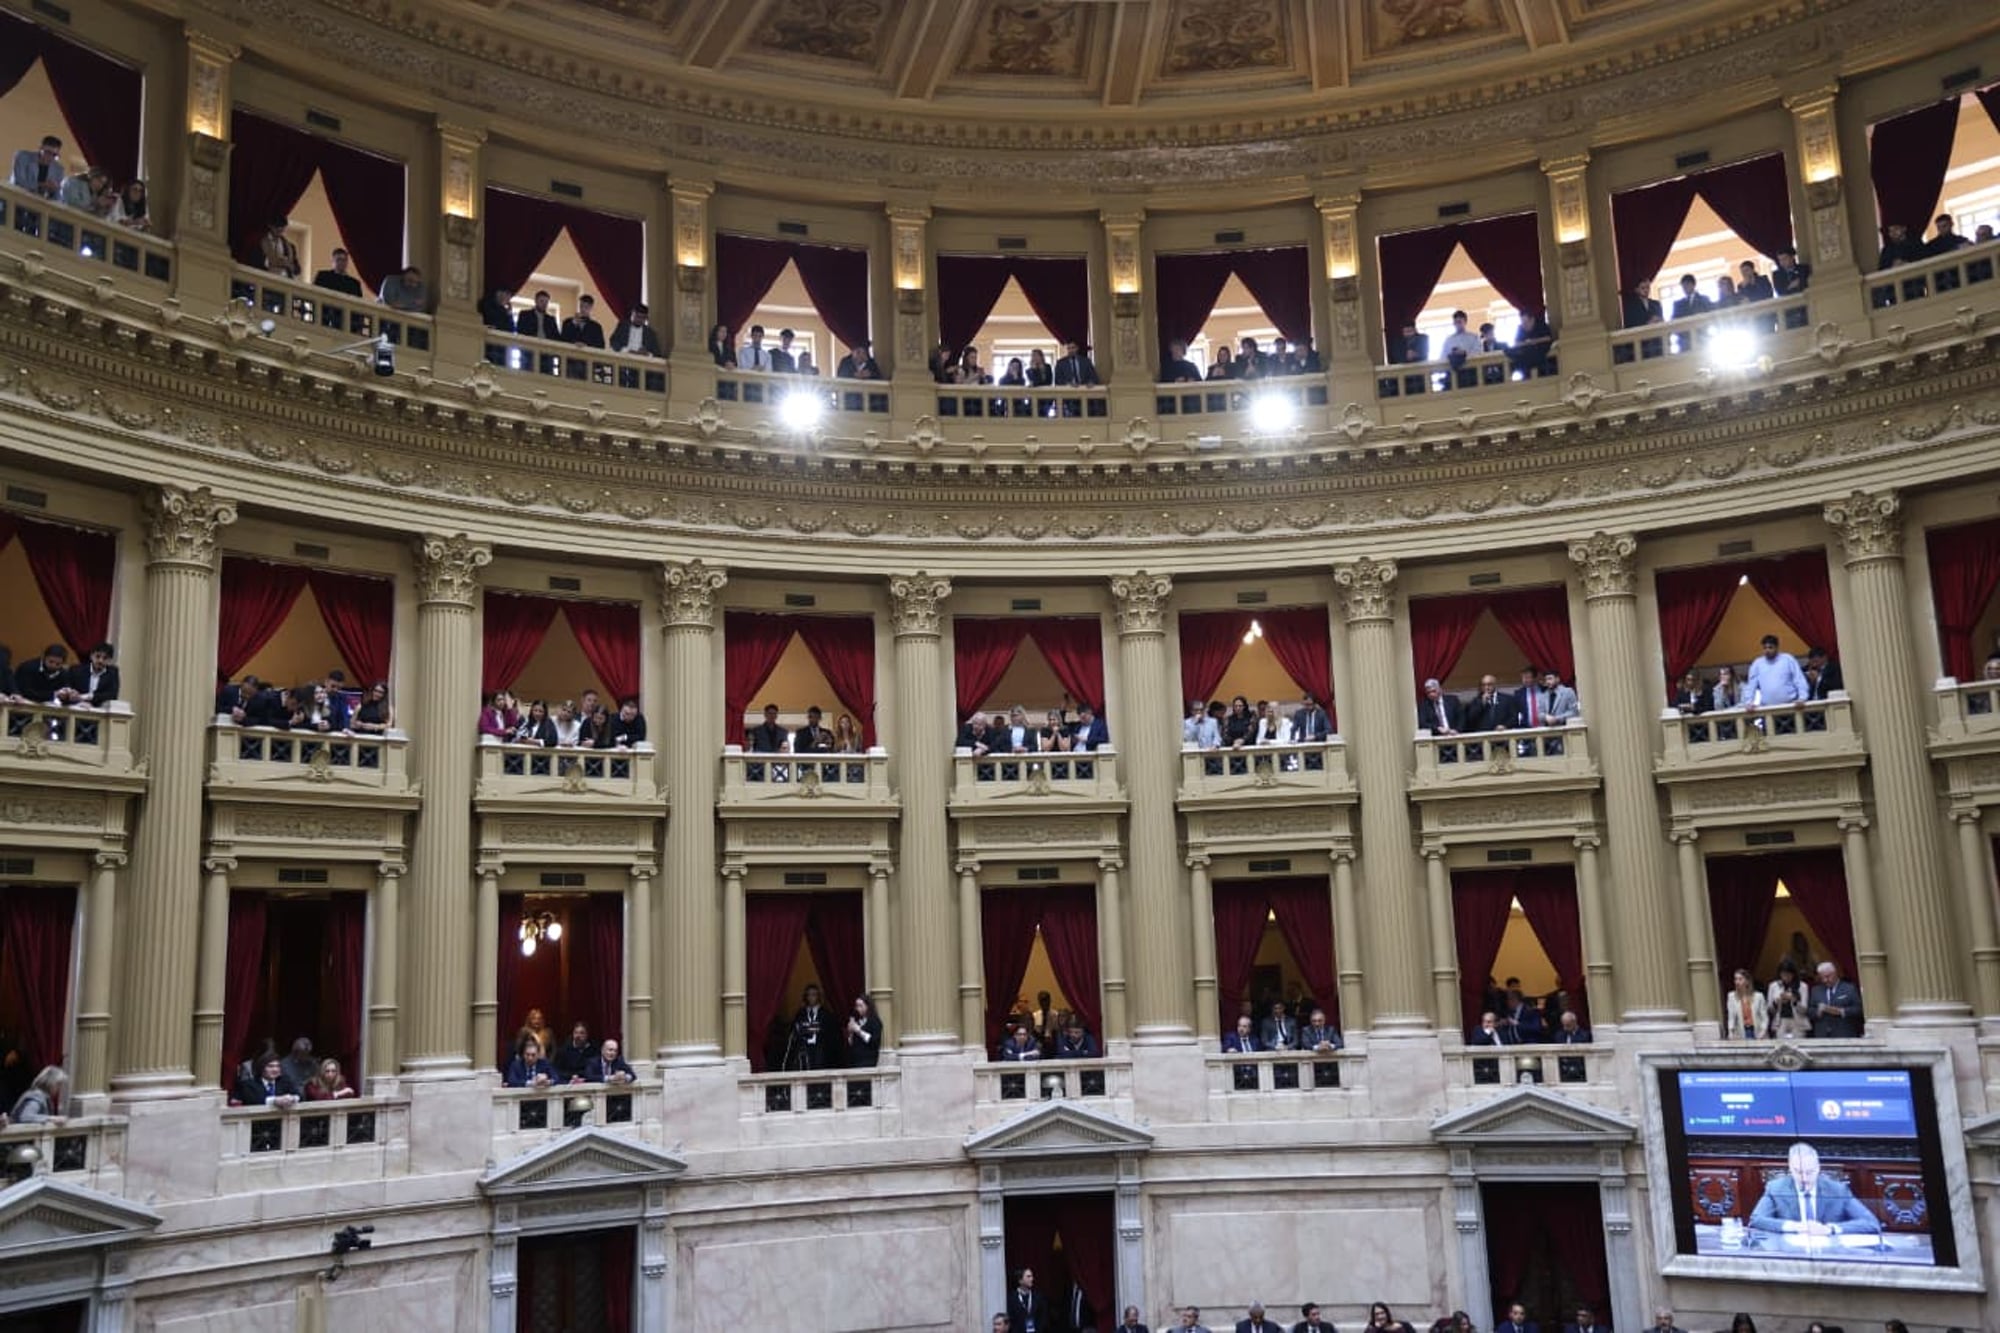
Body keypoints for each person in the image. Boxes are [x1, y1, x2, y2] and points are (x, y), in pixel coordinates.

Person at [1749, 1141, 1881, 1236]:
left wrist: (1830, 1229)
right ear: (1790, 1169)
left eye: (1810, 1172)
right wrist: (1795, 1227)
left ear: (1818, 1168)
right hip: (1791, 1254)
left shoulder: (1838, 1190)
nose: (1805, 1178)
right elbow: (1756, 1219)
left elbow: (1871, 1223)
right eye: (1799, 1172)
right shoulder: (1775, 1188)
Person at [1744, 633, 1808, 707]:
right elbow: (1751, 685)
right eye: (1765, 648)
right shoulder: (1757, 664)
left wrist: (1802, 698)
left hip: (1790, 705)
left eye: (1770, 647)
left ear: (1777, 647)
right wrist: (1748, 702)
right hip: (1768, 708)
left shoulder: (1788, 659)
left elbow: (1799, 679)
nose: (1767, 650)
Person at [1808, 960, 1863, 1037]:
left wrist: (1840, 1011)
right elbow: (1810, 1011)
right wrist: (1818, 1012)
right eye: (1822, 978)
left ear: (1835, 973)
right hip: (1822, 1035)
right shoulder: (1816, 990)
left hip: (1844, 1033)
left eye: (1827, 976)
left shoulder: (1849, 988)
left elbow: (1858, 1009)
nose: (1825, 980)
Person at [58, 642, 118, 706]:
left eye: (105, 658)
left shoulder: (112, 673)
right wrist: (70, 692)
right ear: (91, 656)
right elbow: (67, 686)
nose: (100, 661)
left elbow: (112, 695)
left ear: (110, 660)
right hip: (76, 707)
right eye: (97, 656)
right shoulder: (76, 670)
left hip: (99, 710)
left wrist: (84, 697)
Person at [786, 984, 830, 1070]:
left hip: (820, 1050)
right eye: (809, 995)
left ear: (818, 996)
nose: (811, 997)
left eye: (814, 994)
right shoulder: (800, 1014)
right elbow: (794, 1030)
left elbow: (829, 1033)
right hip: (804, 1050)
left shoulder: (826, 1015)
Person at [234, 1052, 302, 1106]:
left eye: (277, 1066)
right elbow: (254, 1101)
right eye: (270, 1066)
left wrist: (292, 1098)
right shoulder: (249, 1084)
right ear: (261, 1068)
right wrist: (275, 1100)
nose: (275, 1069)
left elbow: (299, 1096)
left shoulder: (285, 1081)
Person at [1725, 968, 1767, 1039]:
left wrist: (1763, 1030)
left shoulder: (1759, 996)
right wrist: (1730, 1032)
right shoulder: (1731, 996)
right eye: (1736, 979)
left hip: (1757, 1031)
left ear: (1747, 981)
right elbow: (1731, 1017)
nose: (1737, 982)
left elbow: (1764, 1017)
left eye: (1740, 979)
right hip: (1741, 1031)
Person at [1008, 1268, 1050, 1333]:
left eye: (1032, 1276)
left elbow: (1043, 1318)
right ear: (1020, 1280)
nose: (1032, 1279)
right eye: (1028, 1276)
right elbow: (1011, 1320)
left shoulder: (1038, 1297)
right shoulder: (1012, 1298)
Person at [844, 996, 882, 1067]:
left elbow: (874, 1041)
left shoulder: (874, 1021)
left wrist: (859, 1031)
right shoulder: (858, 1021)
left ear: (868, 1006)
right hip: (855, 1061)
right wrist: (850, 1033)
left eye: (861, 1006)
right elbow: (851, 1043)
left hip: (867, 1060)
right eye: (857, 1006)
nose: (858, 1009)